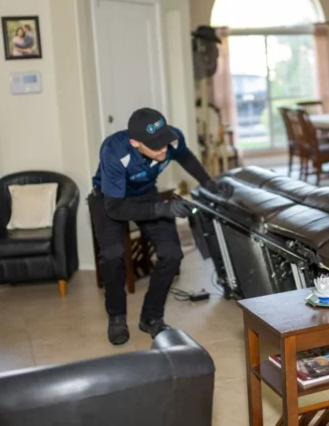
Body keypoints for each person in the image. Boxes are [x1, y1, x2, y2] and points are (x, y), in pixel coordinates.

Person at [88, 107, 233, 345]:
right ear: (135, 143)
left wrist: (210, 183)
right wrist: (164, 209)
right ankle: (116, 317)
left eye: (164, 140)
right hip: (109, 199)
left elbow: (186, 157)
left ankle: (151, 317)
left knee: (172, 253)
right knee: (113, 255)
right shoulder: (114, 151)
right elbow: (115, 209)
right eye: (155, 145)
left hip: (146, 194)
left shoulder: (172, 140)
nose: (164, 149)